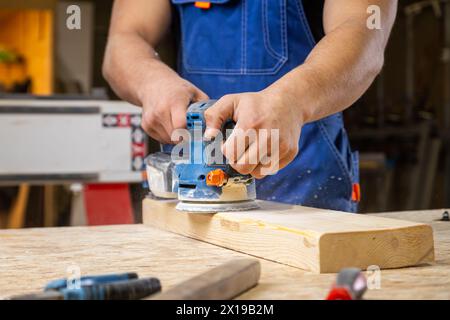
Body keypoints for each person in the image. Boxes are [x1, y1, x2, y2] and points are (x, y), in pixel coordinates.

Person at [103, 0, 397, 212]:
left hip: (304, 190)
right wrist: (150, 80)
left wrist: (292, 101)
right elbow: (124, 38)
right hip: (192, 197)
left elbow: (363, 30)